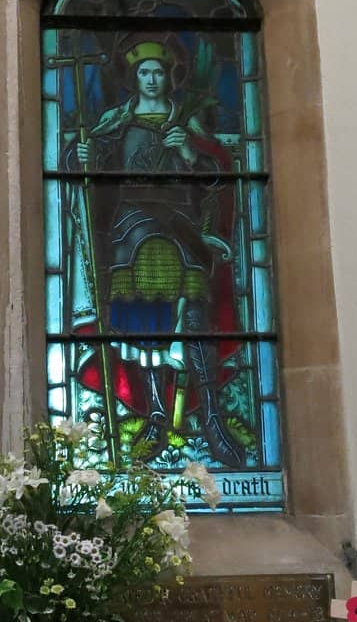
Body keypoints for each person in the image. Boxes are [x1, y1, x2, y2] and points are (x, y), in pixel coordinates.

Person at [70, 37, 244, 468]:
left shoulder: (187, 123)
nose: (151, 79)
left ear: (169, 77)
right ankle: (156, 416)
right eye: (143, 72)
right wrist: (83, 155)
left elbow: (216, 177)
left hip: (182, 223)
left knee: (195, 316)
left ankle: (212, 420)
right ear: (134, 78)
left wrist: (188, 151)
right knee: (143, 319)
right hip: (131, 226)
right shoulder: (115, 121)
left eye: (158, 72)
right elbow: (91, 172)